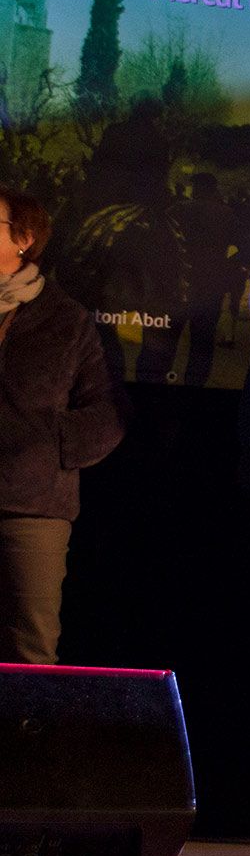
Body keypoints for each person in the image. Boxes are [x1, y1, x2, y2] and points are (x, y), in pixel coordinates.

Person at [0, 187, 127, 663]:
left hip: (32, 507)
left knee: (29, 649)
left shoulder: (64, 318)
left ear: (24, 240)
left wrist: (48, 447)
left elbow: (108, 409)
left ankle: (24, 739)